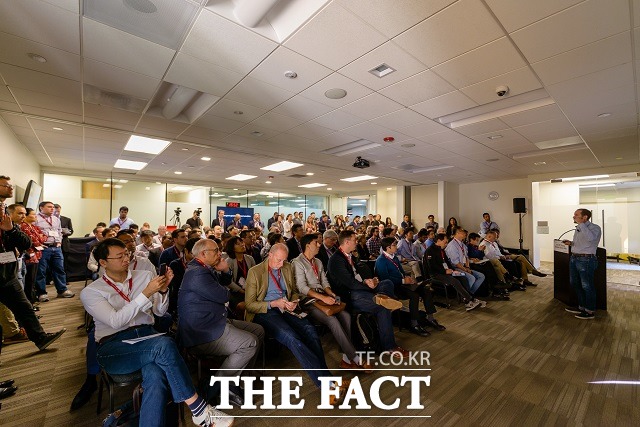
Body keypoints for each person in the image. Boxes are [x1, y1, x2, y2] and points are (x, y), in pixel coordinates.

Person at [80, 238, 232, 426]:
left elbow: (160, 312)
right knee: (164, 345)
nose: (126, 259)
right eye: (119, 256)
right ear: (103, 263)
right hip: (115, 346)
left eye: (127, 254)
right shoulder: (92, 291)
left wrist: (162, 291)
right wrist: (145, 293)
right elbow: (115, 321)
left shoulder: (143, 276)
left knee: (155, 376)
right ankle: (198, 408)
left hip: (147, 336)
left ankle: (192, 412)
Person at [244, 244, 341, 391]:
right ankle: (326, 383)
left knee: (311, 332)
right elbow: (250, 304)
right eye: (278, 260)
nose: (281, 264)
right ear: (270, 255)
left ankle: (326, 380)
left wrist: (294, 301)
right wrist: (273, 303)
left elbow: (294, 292)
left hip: (286, 307)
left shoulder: (287, 267)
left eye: (284, 260)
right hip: (265, 311)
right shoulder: (255, 272)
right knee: (292, 337)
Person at [178, 239, 264, 405]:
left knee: (258, 330)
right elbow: (225, 295)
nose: (220, 254)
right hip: (202, 331)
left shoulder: (203, 267)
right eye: (216, 251)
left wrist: (225, 270)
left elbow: (224, 283)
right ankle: (218, 386)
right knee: (250, 342)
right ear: (203, 254)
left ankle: (236, 380)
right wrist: (224, 284)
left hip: (215, 319)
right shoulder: (197, 273)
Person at [0, 176, 66, 353]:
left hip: (6, 271)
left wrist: (11, 230)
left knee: (24, 307)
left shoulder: (5, 214)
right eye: (6, 186)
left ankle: (40, 338)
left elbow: (26, 242)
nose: (10, 188)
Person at [292, 233, 372, 372]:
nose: (319, 245)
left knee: (345, 315)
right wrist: (323, 298)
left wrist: (330, 293)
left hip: (323, 296)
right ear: (307, 246)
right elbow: (302, 287)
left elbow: (324, 281)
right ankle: (355, 358)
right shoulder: (297, 262)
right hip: (309, 300)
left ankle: (346, 359)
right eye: (316, 243)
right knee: (333, 320)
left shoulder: (317, 262)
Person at [327, 230, 409, 358]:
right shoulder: (336, 260)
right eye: (355, 240)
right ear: (347, 242)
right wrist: (367, 287)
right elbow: (350, 283)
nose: (357, 242)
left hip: (360, 289)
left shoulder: (349, 256)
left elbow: (358, 276)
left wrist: (369, 281)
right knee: (383, 309)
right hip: (350, 295)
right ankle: (390, 346)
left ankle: (382, 297)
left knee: (387, 283)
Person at [375, 237, 445, 336]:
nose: (396, 247)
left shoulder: (393, 257)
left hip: (403, 284)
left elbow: (401, 271)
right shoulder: (381, 261)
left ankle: (431, 318)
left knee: (426, 290)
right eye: (394, 245)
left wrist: (408, 278)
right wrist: (403, 280)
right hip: (394, 288)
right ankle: (414, 324)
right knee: (414, 295)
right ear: (388, 248)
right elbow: (385, 279)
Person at [425, 233, 485, 311]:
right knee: (454, 281)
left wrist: (453, 270)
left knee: (463, 277)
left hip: (446, 271)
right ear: (439, 241)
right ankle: (469, 300)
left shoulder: (441, 250)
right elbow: (432, 267)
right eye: (445, 242)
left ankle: (468, 299)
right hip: (436, 274)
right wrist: (445, 271)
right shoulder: (430, 251)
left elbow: (447, 262)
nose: (446, 244)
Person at [562, 209, 602, 319]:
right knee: (576, 283)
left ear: (585, 217)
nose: (574, 216)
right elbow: (582, 243)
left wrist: (582, 224)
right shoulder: (579, 227)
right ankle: (581, 306)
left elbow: (591, 239)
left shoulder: (595, 228)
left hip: (586, 260)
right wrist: (571, 243)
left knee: (587, 285)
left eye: (576, 215)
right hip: (574, 258)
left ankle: (589, 311)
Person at [34, 201, 74, 301]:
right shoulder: (35, 218)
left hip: (56, 248)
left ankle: (62, 290)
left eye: (53, 207)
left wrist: (59, 242)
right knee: (41, 271)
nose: (52, 209)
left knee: (59, 269)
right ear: (41, 208)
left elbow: (59, 231)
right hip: (44, 248)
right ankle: (42, 293)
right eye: (49, 207)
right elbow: (33, 233)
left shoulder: (56, 219)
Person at [19, 207, 48, 304]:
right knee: (28, 280)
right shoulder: (23, 226)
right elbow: (32, 242)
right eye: (33, 214)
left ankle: (31, 300)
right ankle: (29, 302)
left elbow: (44, 237)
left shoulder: (34, 226)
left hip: (37, 255)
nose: (36, 216)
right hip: (28, 257)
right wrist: (39, 239)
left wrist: (40, 239)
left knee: (32, 280)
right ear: (26, 216)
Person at [225, 236, 256, 312]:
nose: (242, 245)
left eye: (242, 242)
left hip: (250, 288)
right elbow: (229, 282)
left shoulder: (249, 258)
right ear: (232, 248)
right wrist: (241, 290)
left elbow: (255, 275)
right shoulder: (229, 261)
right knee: (241, 306)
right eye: (238, 244)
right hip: (235, 291)